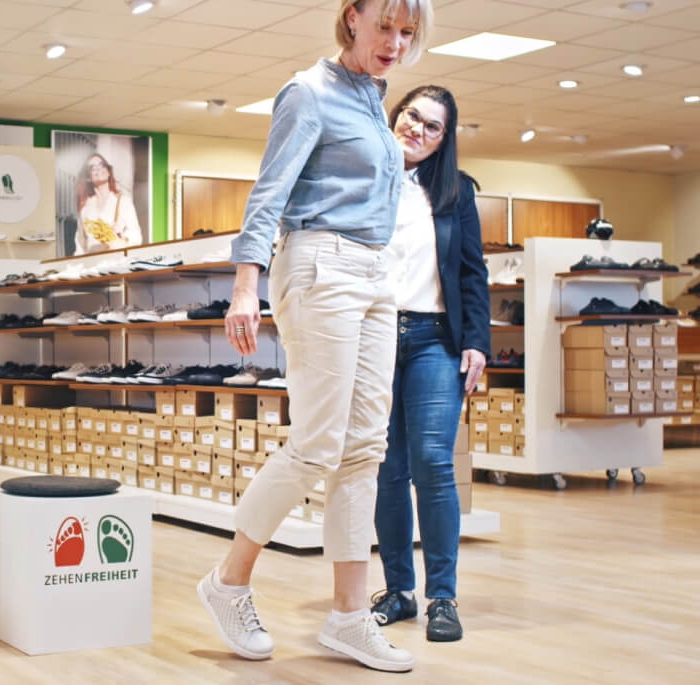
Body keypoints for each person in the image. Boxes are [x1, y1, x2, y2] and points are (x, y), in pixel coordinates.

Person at [197, 0, 434, 674]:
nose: (396, 42)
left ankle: (349, 618)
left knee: (365, 449)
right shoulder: (310, 92)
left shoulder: (372, 104)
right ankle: (229, 580)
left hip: (374, 275)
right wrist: (246, 285)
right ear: (353, 16)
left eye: (408, 32)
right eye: (385, 25)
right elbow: (268, 194)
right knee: (318, 444)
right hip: (320, 264)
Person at [370, 84, 485, 643]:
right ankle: (398, 590)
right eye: (412, 115)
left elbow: (471, 273)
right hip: (372, 336)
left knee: (433, 464)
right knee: (387, 468)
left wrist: (479, 341)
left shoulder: (455, 193)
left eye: (432, 125)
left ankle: (443, 596)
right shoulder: (365, 176)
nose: (417, 128)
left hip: (434, 339)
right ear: (397, 115)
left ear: (444, 140)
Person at [75, 153, 142, 253]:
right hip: (93, 263)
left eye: (102, 165)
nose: (98, 169)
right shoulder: (85, 208)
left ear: (108, 171)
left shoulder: (123, 201)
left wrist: (122, 234)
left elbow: (137, 237)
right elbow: (80, 245)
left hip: (116, 263)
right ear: (88, 177)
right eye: (93, 167)